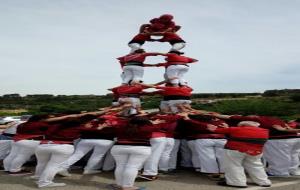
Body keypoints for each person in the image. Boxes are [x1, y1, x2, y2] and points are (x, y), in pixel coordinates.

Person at [209, 121, 271, 188]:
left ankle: (237, 182)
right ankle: (264, 181)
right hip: (256, 151)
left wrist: (212, 127)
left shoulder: (235, 129)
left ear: (242, 125)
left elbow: (216, 130)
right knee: (256, 166)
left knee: (233, 165)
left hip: (235, 149)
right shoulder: (265, 131)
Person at [110, 116, 159, 190]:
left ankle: (119, 185)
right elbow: (158, 129)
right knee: (132, 167)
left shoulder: (122, 126)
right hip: (141, 148)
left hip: (119, 147)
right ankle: (127, 186)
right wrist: (152, 123)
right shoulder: (148, 128)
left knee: (120, 166)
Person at [183, 114, 228, 178]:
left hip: (204, 139)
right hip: (221, 139)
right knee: (222, 156)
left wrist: (188, 118)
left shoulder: (197, 122)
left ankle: (212, 172)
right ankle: (224, 172)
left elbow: (192, 122)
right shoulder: (221, 122)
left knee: (207, 156)